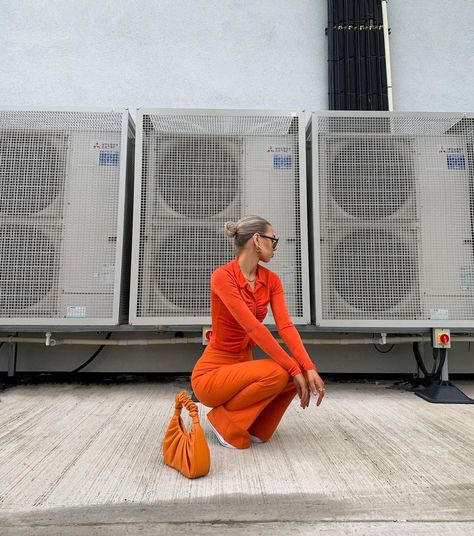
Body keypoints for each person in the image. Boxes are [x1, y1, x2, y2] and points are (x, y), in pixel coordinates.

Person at [191, 215, 325, 449]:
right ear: (257, 240)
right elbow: (253, 327)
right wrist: (294, 368)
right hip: (213, 374)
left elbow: (285, 326)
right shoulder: (222, 277)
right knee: (281, 370)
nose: (274, 247)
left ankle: (256, 426)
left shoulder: (271, 280)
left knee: (295, 371)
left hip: (243, 370)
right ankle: (223, 421)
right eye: (273, 240)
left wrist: (308, 367)